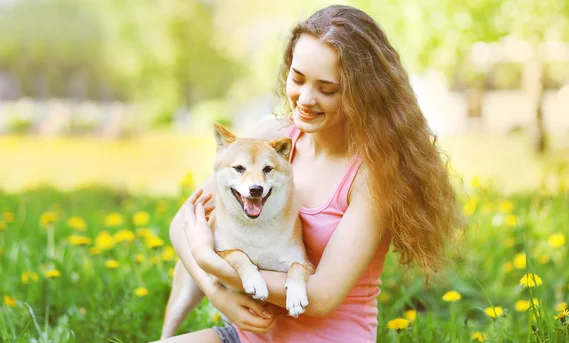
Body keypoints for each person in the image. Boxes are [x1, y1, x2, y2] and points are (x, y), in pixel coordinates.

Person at [157, 4, 464, 343]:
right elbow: (182, 222)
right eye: (298, 79)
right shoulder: (271, 141)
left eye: (326, 88)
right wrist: (219, 295)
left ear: (363, 94)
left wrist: (212, 263)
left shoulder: (373, 176)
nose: (305, 98)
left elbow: (318, 298)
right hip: (250, 337)